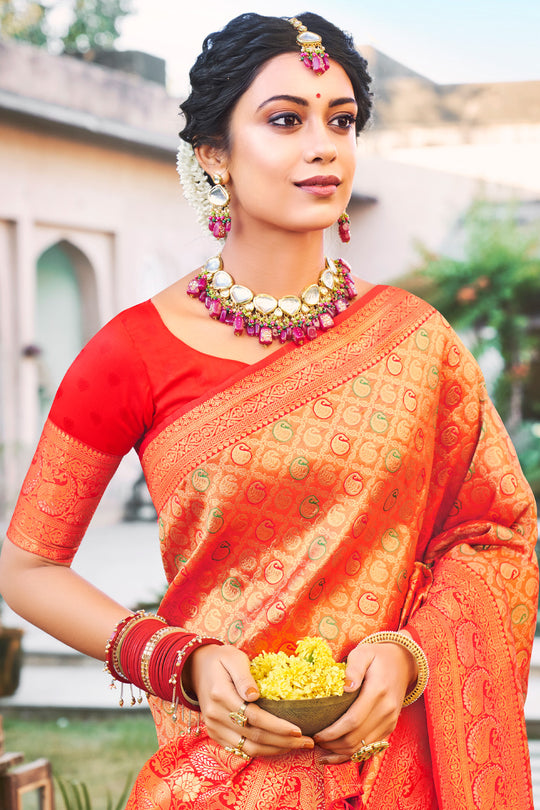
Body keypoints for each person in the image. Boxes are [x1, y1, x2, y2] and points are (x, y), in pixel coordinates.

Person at [0, 11, 537, 810]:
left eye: (342, 120)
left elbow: (496, 533)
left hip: (395, 773)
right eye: (285, 119)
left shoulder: (418, 343)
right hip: (216, 775)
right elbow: (28, 566)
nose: (323, 145)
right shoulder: (132, 351)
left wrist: (408, 657)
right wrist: (175, 659)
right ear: (213, 153)